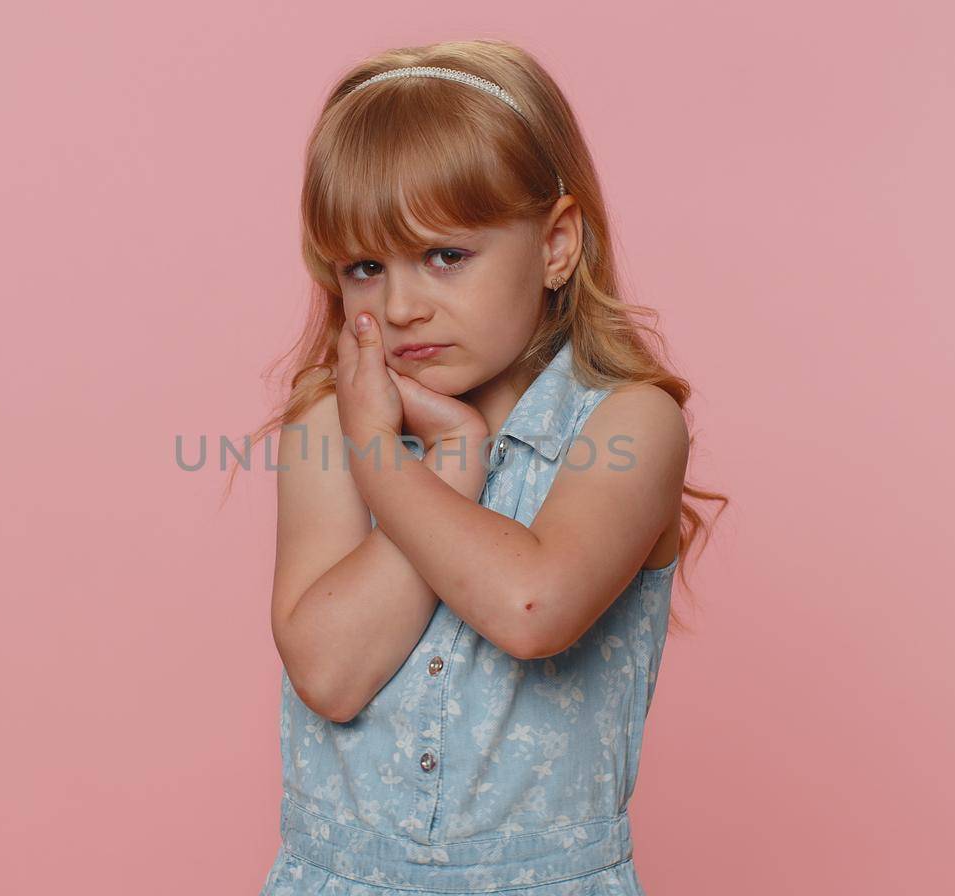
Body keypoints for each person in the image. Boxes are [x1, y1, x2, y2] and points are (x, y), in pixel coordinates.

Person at [232, 38, 727, 896]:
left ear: (557, 244)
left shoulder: (628, 424)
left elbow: (533, 607)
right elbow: (328, 673)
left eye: (446, 256)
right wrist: (445, 462)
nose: (400, 305)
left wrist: (396, 465)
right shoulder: (328, 422)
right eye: (364, 267)